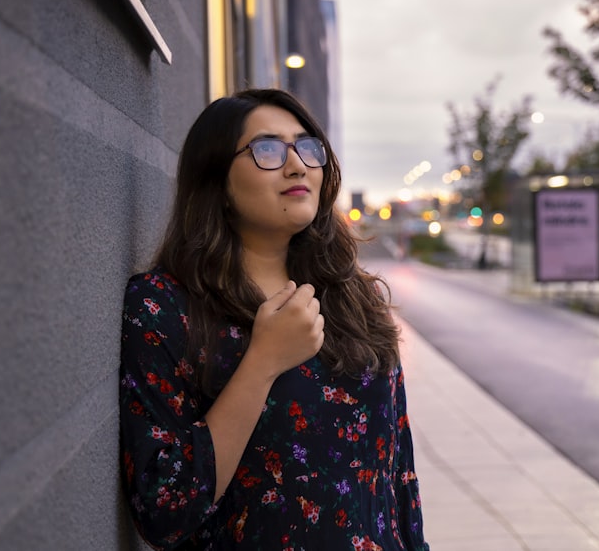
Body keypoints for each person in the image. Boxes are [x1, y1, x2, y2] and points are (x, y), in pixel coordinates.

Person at [119, 88, 429, 550]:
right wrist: (262, 362)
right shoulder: (165, 307)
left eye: (307, 147)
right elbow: (164, 511)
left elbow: (397, 473)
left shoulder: (352, 297)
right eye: (267, 149)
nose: (297, 164)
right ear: (217, 180)